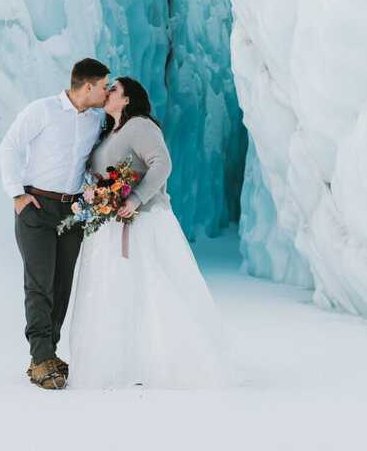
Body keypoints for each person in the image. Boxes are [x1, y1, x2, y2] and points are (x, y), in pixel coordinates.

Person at [68, 76, 243, 388]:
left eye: (114, 90)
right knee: (118, 294)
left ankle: (161, 362)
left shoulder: (139, 126)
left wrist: (133, 199)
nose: (108, 94)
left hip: (142, 222)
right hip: (111, 224)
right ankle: (127, 362)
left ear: (128, 100)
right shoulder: (111, 132)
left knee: (149, 290)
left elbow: (162, 164)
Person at [0, 58, 110, 390]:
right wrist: (17, 195)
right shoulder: (42, 110)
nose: (107, 91)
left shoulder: (95, 121)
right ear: (86, 86)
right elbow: (9, 147)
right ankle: (41, 356)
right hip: (36, 206)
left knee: (61, 285)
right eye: (105, 86)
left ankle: (46, 354)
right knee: (39, 284)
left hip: (72, 211)